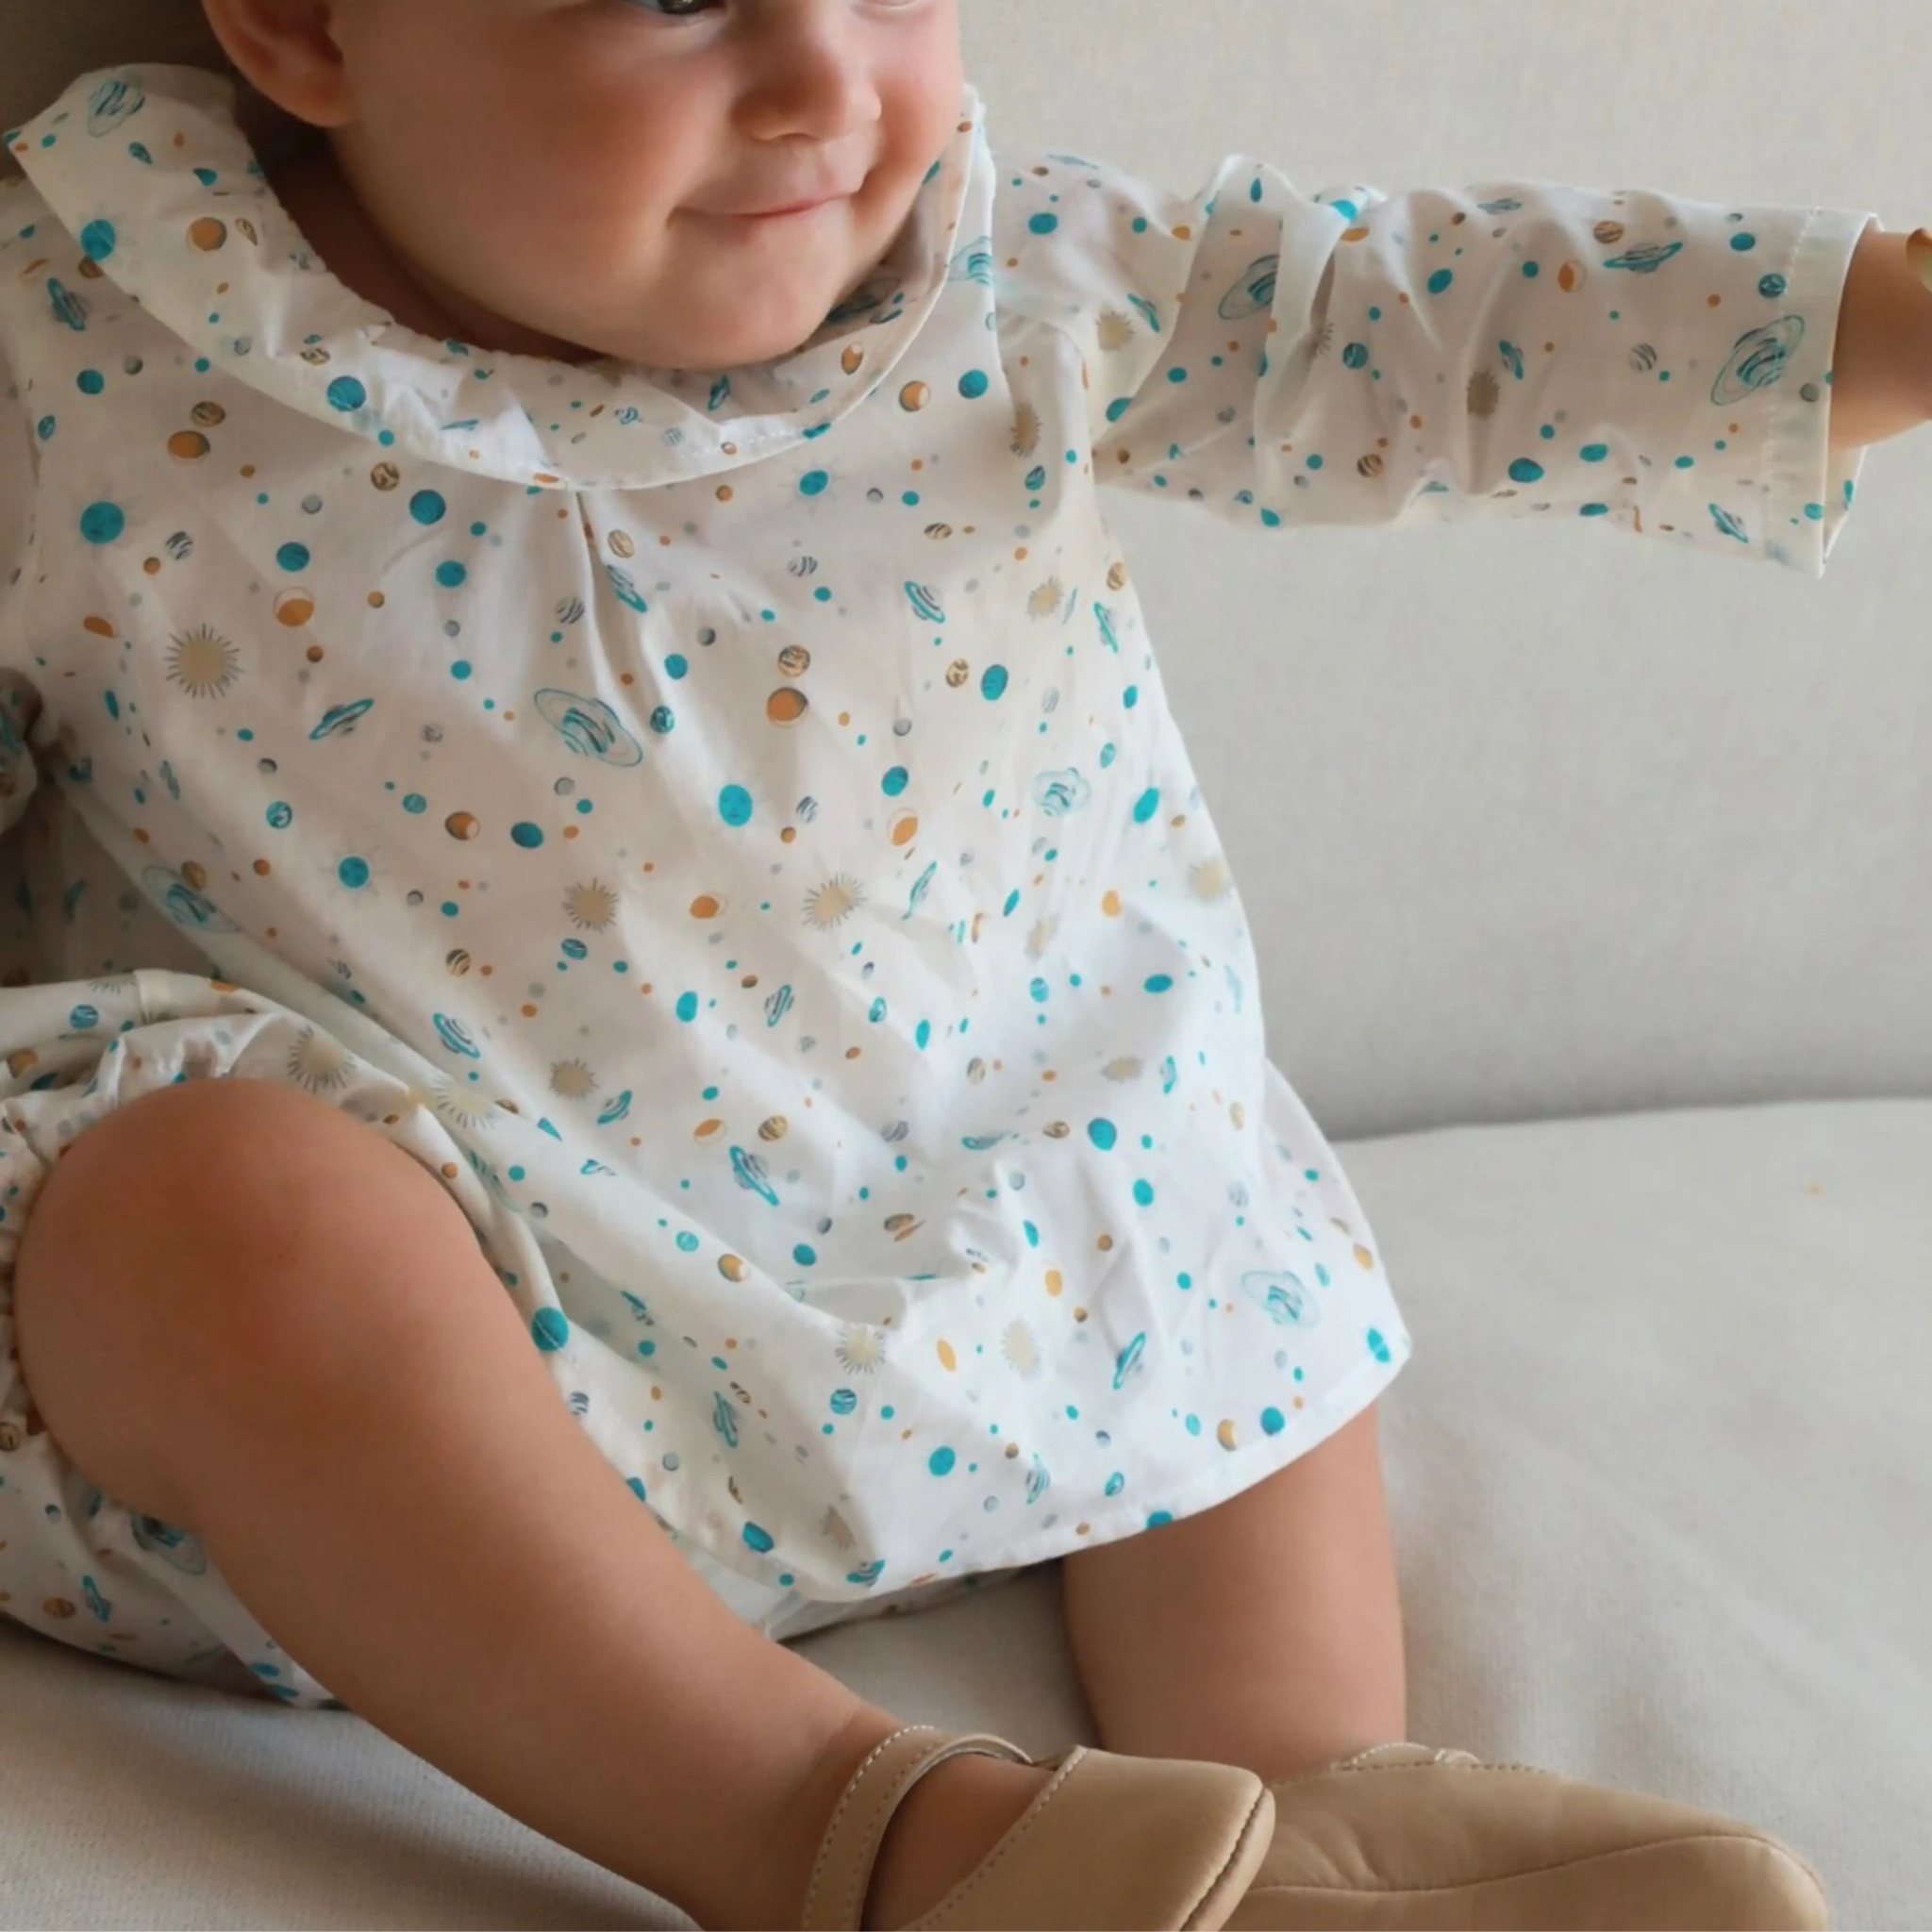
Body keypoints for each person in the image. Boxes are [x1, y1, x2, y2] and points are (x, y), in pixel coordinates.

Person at [2, 1, 1917, 1924]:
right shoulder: (69, 334)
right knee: (204, 1216)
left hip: (1003, 1275)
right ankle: (847, 1831)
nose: (825, 81)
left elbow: (1419, 326)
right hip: (452, 1389)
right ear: (306, 25)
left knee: (1174, 1103)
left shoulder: (1000, 276)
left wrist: (1873, 319)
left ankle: (1296, 1806)